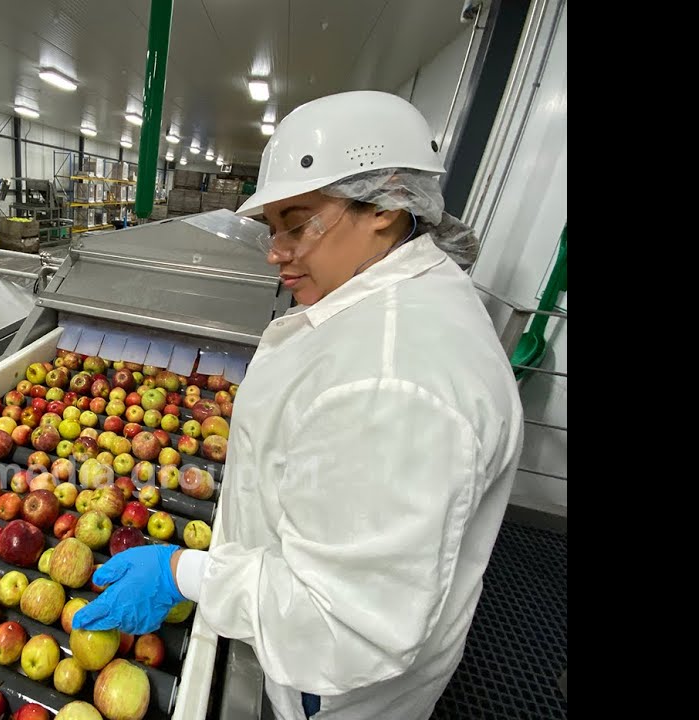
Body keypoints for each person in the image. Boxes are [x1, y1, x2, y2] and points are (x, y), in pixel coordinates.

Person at [71, 90, 525, 720]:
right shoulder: (389, 306)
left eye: (299, 221)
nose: (276, 251)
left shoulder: (395, 380)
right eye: (272, 227)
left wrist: (183, 574)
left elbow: (345, 621)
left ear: (386, 209)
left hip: (333, 684)